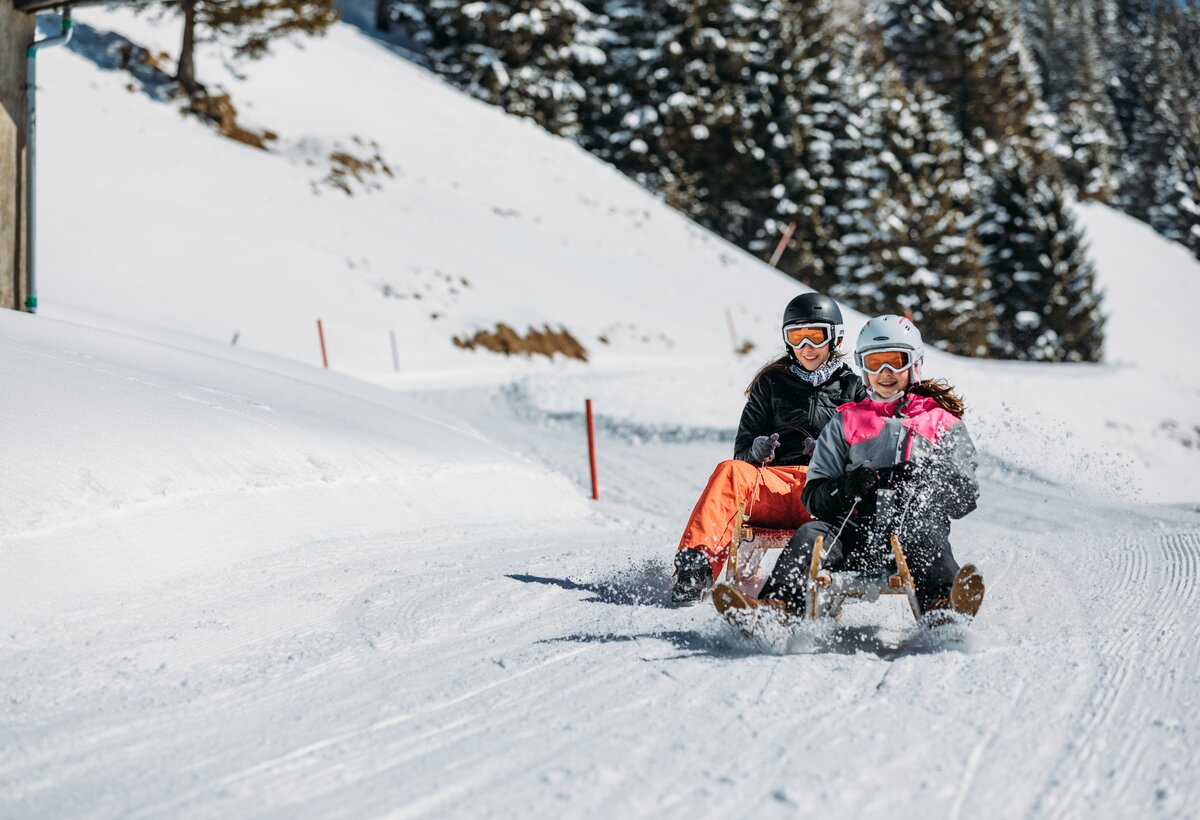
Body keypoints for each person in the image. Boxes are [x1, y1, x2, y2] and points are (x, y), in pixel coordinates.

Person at [757, 314, 985, 621]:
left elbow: (965, 496)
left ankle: (944, 606)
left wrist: (927, 481)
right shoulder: (846, 421)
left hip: (912, 528)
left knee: (927, 537)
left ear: (914, 363)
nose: (885, 372)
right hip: (852, 533)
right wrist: (845, 486)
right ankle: (776, 610)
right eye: (875, 362)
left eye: (895, 361)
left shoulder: (940, 422)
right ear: (863, 367)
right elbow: (813, 496)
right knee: (811, 535)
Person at [671, 293, 867, 605]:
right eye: (797, 337)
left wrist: (832, 452)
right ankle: (696, 567)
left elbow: (867, 451)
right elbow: (741, 451)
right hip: (774, 488)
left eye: (815, 337)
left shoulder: (852, 387)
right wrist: (754, 451)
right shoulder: (772, 383)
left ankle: (822, 584)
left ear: (834, 338)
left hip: (822, 492)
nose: (806, 348)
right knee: (729, 471)